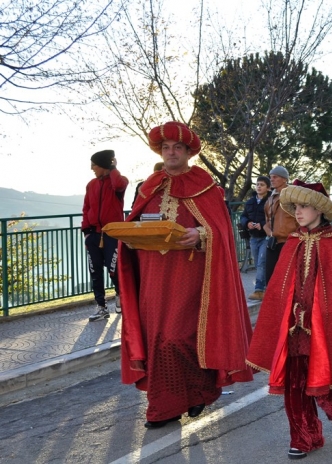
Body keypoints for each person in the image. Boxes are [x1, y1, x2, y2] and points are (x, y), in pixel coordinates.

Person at [118, 121, 253, 428]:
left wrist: (201, 233)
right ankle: (168, 405)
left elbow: (220, 231)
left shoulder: (204, 185)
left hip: (191, 275)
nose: (171, 153)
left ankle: (200, 391)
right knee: (156, 339)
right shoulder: (149, 185)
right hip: (153, 276)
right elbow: (137, 222)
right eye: (165, 148)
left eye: (177, 148)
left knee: (178, 338)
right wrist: (129, 237)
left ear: (189, 152)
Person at [246, 180, 332, 460]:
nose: (298, 212)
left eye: (304, 207)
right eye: (296, 207)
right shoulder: (292, 244)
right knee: (294, 386)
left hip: (325, 332)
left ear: (319, 210)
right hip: (295, 330)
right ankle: (303, 437)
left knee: (330, 388)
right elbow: (279, 289)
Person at [82, 149, 129, 321]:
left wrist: (113, 168)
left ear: (102, 165)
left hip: (113, 234)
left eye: (94, 164)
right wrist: (86, 232)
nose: (91, 168)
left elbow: (118, 186)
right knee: (95, 272)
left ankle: (119, 296)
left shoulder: (119, 181)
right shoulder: (91, 184)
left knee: (114, 270)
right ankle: (101, 307)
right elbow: (86, 208)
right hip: (93, 234)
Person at [264, 166, 299, 283]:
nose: (271, 179)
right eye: (270, 177)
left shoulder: (293, 195)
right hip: (274, 242)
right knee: (270, 277)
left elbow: (301, 217)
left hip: (290, 241)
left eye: (275, 177)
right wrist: (269, 232)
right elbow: (267, 221)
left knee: (289, 278)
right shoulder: (270, 199)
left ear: (284, 179)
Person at [240, 175, 272, 299]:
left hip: (266, 237)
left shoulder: (271, 202)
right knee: (259, 262)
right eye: (257, 184)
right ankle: (265, 288)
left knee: (262, 262)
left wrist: (262, 225)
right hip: (253, 237)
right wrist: (247, 223)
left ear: (268, 188)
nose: (259, 186)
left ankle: (259, 289)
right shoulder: (250, 202)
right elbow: (243, 216)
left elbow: (274, 219)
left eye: (262, 185)